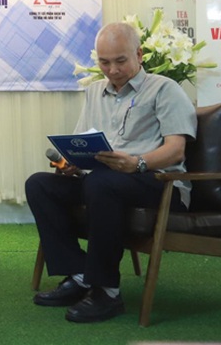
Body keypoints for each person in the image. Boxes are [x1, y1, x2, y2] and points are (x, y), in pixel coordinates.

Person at [25, 21, 197, 323]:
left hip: (159, 182)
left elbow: (176, 150)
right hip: (104, 181)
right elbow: (83, 140)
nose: (113, 70)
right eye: (105, 62)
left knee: (103, 182)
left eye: (120, 61)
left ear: (139, 55)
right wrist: (73, 162)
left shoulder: (164, 89)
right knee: (39, 184)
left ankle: (107, 291)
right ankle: (79, 274)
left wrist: (137, 163)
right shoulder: (94, 92)